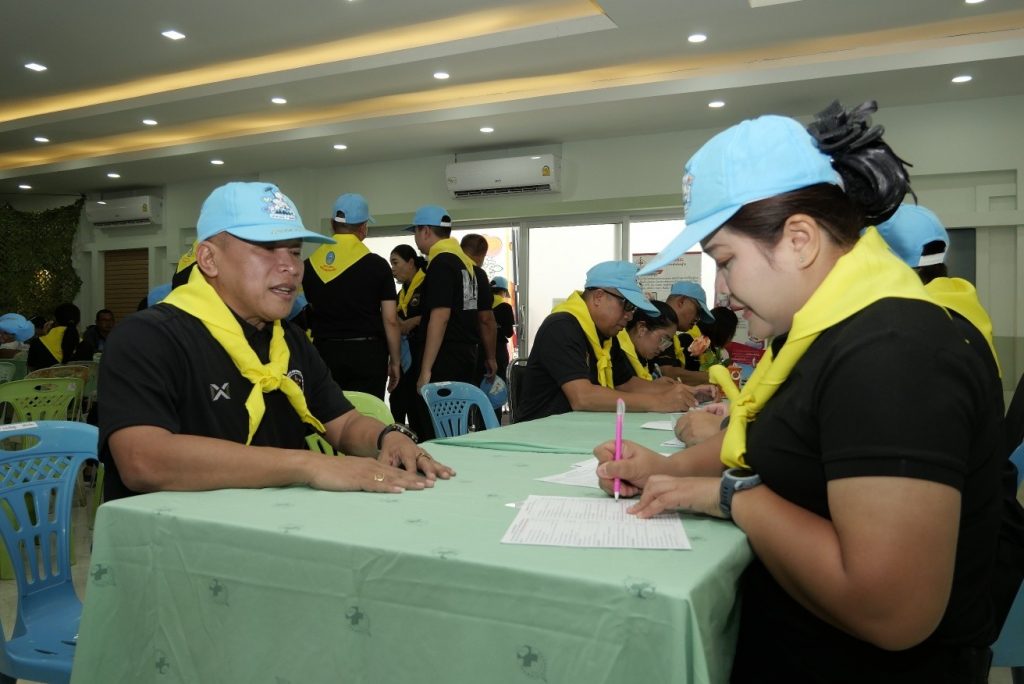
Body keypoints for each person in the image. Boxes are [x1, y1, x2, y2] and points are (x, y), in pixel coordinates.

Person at [595, 102, 1010, 682]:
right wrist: (668, 470)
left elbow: (892, 610)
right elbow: (781, 446)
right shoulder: (820, 335)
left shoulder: (892, 352)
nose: (724, 291)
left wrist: (733, 497)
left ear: (799, 240)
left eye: (726, 261)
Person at [99, 181, 454, 502]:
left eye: (295, 252)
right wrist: (308, 465)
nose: (292, 268)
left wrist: (389, 437)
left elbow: (344, 423)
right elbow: (143, 460)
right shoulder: (148, 337)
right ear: (209, 259)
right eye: (268, 249)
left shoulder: (288, 340)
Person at [516, 261, 702, 422]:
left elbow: (626, 383)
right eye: (627, 305)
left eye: (633, 309)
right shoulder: (561, 327)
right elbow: (583, 397)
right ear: (598, 297)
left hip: (579, 427)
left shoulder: (606, 336)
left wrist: (684, 393)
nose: (630, 316)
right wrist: (659, 402)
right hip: (541, 431)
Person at [302, 193, 401, 400]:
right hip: (367, 355)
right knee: (367, 414)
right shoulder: (377, 266)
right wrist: (395, 360)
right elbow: (390, 319)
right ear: (363, 228)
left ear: (332, 224)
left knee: (328, 413)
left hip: (323, 353)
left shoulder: (308, 266)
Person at [405, 205, 487, 439]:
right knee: (455, 428)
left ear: (425, 231)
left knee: (434, 429)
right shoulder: (465, 264)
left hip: (444, 358)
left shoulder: (441, 263)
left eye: (415, 231)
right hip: (465, 355)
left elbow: (440, 317)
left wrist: (426, 370)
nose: (416, 239)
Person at [389, 244, 427, 426]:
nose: (392, 269)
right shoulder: (401, 294)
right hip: (403, 358)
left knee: (419, 410)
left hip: (422, 355)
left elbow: (437, 315)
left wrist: (413, 322)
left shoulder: (427, 285)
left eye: (395, 263)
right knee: (397, 403)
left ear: (411, 263)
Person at [651, 281, 715, 385]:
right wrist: (712, 377)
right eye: (697, 312)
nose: (697, 319)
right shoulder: (657, 323)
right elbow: (667, 373)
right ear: (681, 302)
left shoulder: (672, 335)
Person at [459, 233, 498, 385]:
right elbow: (485, 319)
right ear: (482, 255)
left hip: (434, 351)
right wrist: (491, 358)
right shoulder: (472, 274)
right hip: (464, 350)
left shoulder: (443, 267)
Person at [613, 299, 680, 384]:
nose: (662, 348)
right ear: (642, 329)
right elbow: (621, 392)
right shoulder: (616, 354)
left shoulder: (642, 358)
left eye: (667, 343)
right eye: (663, 339)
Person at [27, 302, 83, 370]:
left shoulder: (37, 343)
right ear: (78, 322)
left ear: (56, 320)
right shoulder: (86, 345)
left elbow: (31, 369)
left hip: (45, 377)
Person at [489, 276, 516, 383]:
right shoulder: (505, 307)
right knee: (499, 382)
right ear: (503, 292)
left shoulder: (482, 306)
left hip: (481, 349)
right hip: (499, 350)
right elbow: (509, 333)